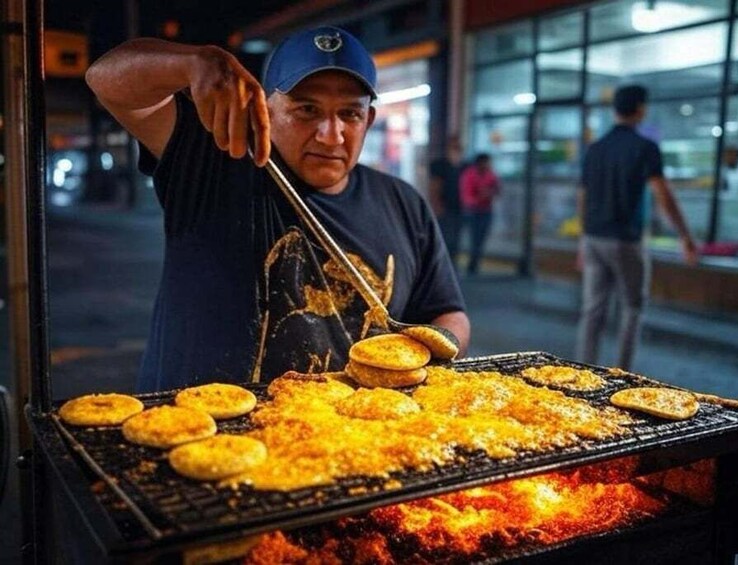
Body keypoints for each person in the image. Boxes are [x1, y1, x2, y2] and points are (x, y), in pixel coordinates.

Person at [85, 26, 470, 392]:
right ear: (266, 110)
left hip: (354, 430)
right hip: (205, 427)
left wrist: (430, 352)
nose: (331, 135)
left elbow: (447, 313)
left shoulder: (403, 203)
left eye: (349, 114)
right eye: (307, 110)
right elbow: (105, 79)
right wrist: (193, 63)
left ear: (368, 120)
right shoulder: (214, 160)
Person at [576, 84, 696, 371]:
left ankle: (581, 371)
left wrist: (583, 239)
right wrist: (685, 236)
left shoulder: (595, 149)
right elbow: (663, 195)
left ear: (614, 110)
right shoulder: (645, 148)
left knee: (593, 309)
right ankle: (623, 373)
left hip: (593, 237)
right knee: (631, 307)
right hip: (625, 239)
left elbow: (583, 196)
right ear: (641, 109)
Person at [460, 153, 500, 276]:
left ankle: (474, 265)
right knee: (474, 238)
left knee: (481, 238)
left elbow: (497, 190)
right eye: (486, 163)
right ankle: (472, 266)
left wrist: (489, 193)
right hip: (473, 211)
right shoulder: (469, 174)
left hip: (486, 210)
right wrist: (480, 197)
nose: (488, 165)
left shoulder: (491, 174)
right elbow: (467, 195)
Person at [428, 134, 465, 266]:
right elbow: (434, 186)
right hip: (444, 207)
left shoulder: (464, 166)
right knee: (445, 239)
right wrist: (436, 205)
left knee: (455, 239)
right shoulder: (440, 165)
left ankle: (452, 266)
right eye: (454, 146)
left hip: (460, 207)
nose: (456, 149)